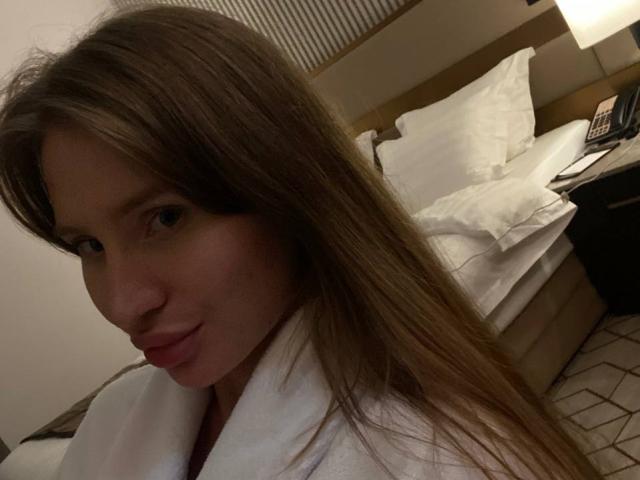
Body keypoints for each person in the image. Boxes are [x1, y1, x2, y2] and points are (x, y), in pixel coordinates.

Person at [0, 5, 602, 480]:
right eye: (89, 246)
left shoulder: (435, 456)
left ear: (285, 191)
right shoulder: (114, 418)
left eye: (165, 218)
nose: (123, 304)